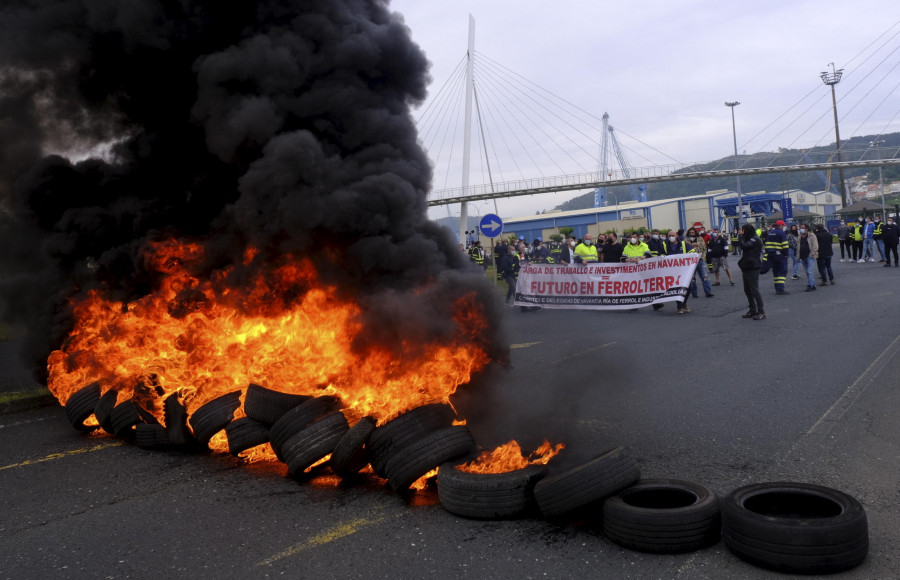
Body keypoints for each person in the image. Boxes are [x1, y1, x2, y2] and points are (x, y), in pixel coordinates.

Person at [737, 223, 765, 320]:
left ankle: (761, 311)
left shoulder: (754, 239)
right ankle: (752, 310)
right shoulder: (749, 238)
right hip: (747, 266)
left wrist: (740, 236)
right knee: (747, 290)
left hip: (753, 266)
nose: (741, 231)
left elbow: (744, 246)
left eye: (742, 230)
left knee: (754, 290)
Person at [664, 230, 693, 314]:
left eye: (672, 235)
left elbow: (691, 253)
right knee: (677, 289)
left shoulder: (683, 244)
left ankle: (684, 303)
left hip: (684, 271)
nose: (671, 237)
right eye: (669, 236)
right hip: (672, 272)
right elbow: (661, 255)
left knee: (689, 287)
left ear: (676, 235)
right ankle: (679, 306)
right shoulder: (665, 245)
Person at [763, 219, 790, 294]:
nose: (783, 227)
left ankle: (777, 288)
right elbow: (785, 245)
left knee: (776, 273)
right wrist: (785, 254)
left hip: (771, 255)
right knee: (782, 272)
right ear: (780, 225)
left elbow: (767, 244)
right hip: (780, 255)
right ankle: (780, 289)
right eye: (783, 225)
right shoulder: (781, 233)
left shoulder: (770, 232)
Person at [685, 227, 713, 297]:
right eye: (690, 233)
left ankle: (708, 292)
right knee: (692, 278)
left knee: (705, 276)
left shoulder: (700, 238)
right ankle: (694, 293)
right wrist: (691, 245)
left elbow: (704, 248)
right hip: (690, 262)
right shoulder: (685, 240)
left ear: (695, 233)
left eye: (693, 233)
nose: (691, 234)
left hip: (700, 260)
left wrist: (703, 257)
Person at [797, 223, 818, 291]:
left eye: (803, 228)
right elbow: (798, 247)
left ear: (807, 229)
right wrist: (798, 256)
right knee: (807, 272)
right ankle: (813, 284)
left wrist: (812, 254)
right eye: (801, 228)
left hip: (810, 256)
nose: (801, 229)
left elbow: (815, 246)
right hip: (802, 256)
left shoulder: (812, 236)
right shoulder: (800, 237)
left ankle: (810, 285)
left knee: (809, 271)